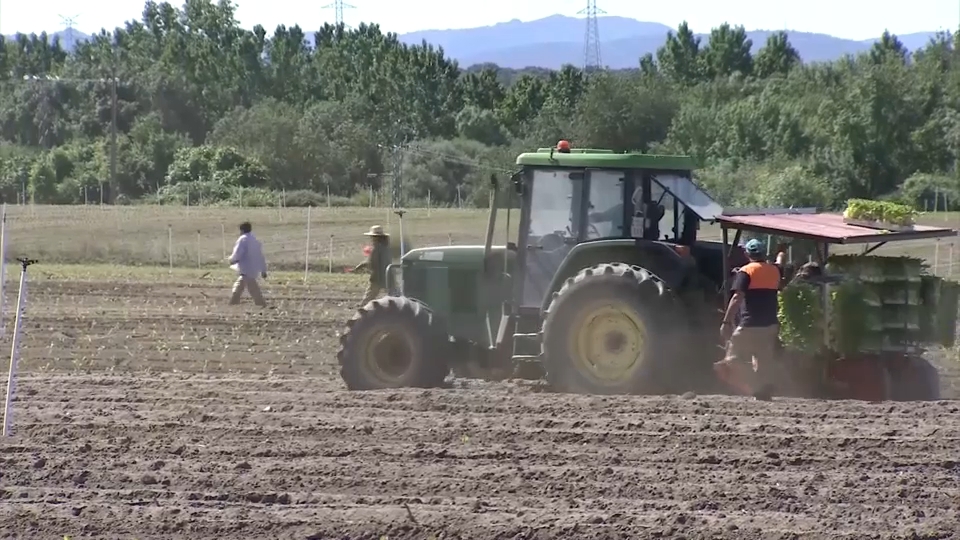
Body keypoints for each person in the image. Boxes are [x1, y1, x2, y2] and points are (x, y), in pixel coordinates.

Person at [716, 238, 786, 401]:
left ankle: (756, 386)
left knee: (732, 359)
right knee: (762, 359)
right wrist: (782, 251)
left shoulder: (746, 272)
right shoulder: (774, 270)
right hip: (770, 324)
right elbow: (780, 262)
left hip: (749, 324)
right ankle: (763, 390)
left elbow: (737, 298)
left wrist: (726, 321)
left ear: (747, 254)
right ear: (763, 253)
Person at [227, 221, 268, 307]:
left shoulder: (242, 239)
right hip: (253, 268)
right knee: (240, 285)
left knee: (252, 288)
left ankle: (261, 304)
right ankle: (233, 301)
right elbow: (260, 256)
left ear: (242, 230)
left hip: (246, 268)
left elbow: (238, 253)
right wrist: (263, 270)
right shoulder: (255, 240)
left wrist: (231, 260)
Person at [354, 225, 391, 306]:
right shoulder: (387, 247)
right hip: (388, 275)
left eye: (372, 237)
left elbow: (371, 262)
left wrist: (360, 266)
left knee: (368, 297)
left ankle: (362, 311)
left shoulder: (376, 248)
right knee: (393, 296)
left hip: (377, 277)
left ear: (375, 237)